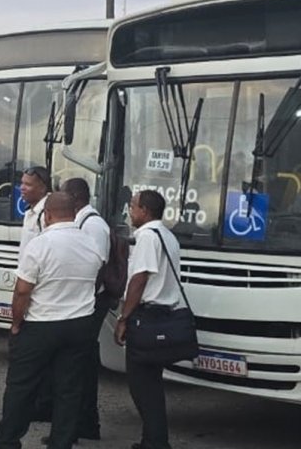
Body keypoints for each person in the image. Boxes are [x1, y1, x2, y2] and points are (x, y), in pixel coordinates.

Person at [0, 191, 103, 449]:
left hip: (41, 324)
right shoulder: (91, 243)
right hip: (80, 323)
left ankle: (7, 440)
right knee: (69, 389)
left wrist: (16, 323)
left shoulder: (40, 244)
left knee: (21, 386)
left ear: (47, 215)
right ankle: (61, 443)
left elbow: (23, 290)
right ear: (73, 212)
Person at [115, 190, 182, 449]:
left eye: (132, 206)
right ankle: (153, 439)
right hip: (164, 315)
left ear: (144, 210)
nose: (129, 212)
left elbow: (139, 279)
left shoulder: (146, 237)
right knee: (152, 382)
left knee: (141, 385)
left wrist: (124, 317)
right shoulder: (168, 236)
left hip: (146, 315)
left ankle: (155, 442)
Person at [62, 177, 111, 441]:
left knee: (80, 366)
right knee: (80, 365)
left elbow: (99, 265)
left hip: (90, 302)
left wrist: (86, 297)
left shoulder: (93, 225)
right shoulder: (81, 220)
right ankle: (82, 422)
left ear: (75, 197)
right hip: (83, 300)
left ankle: (85, 423)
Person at [20, 166, 51, 248]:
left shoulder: (48, 213)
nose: (22, 188)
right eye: (22, 183)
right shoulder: (30, 211)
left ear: (42, 188)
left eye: (28, 185)